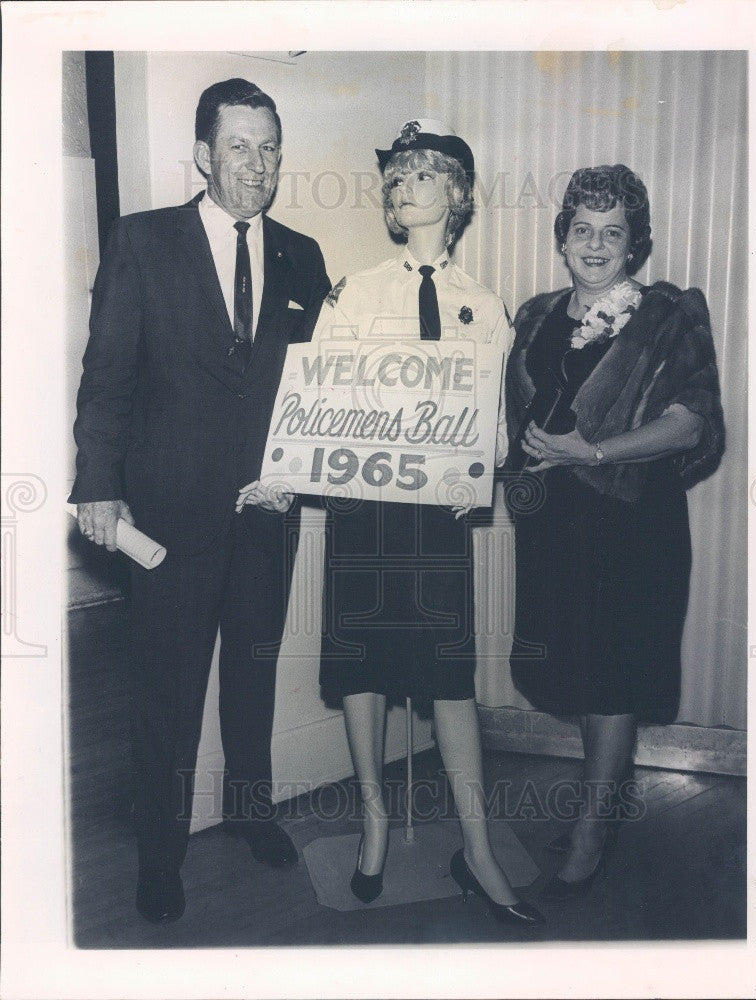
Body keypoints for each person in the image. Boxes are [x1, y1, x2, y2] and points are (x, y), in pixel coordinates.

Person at [70, 78, 330, 923]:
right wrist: (98, 485)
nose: (257, 165)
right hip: (170, 514)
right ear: (204, 156)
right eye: (240, 147)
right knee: (166, 692)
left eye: (270, 147)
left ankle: (254, 812)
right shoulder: (144, 242)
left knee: (253, 674)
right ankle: (160, 854)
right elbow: (105, 377)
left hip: (269, 510)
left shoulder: (302, 253)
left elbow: (313, 387)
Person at [312, 119, 545, 928]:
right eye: (394, 176)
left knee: (447, 674)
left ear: (455, 193)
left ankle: (477, 848)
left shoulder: (483, 304)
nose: (400, 186)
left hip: (437, 518)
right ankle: (374, 822)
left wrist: (475, 467)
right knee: (365, 667)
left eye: (419, 174)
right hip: (365, 510)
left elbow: (498, 425)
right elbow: (319, 401)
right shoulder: (354, 292)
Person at [504, 164, 725, 900]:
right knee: (572, 670)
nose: (594, 244)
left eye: (612, 232)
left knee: (613, 674)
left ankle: (594, 828)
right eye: (581, 229)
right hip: (552, 528)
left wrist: (591, 451)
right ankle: (605, 799)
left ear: (635, 244)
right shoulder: (534, 317)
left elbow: (691, 420)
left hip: (632, 523)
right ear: (561, 238)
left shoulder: (668, 313)